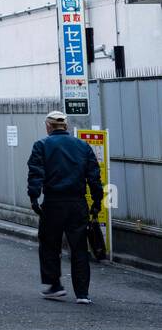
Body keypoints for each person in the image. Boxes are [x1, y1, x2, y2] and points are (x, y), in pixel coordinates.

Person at [27, 111, 103, 304]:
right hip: (77, 203)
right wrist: (96, 202)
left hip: (53, 203)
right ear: (66, 126)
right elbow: (94, 177)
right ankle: (82, 294)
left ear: (48, 126)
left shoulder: (41, 146)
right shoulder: (83, 146)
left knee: (49, 244)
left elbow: (36, 174)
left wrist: (34, 198)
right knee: (79, 247)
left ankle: (55, 285)